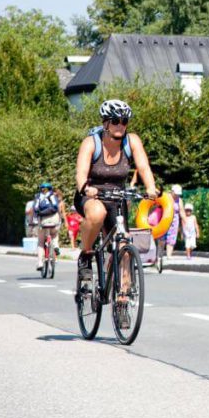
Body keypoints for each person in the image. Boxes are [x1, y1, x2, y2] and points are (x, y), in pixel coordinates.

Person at [74, 99, 157, 283]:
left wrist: (151, 187)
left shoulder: (132, 141)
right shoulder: (91, 143)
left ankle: (123, 296)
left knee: (124, 246)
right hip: (91, 194)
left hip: (117, 197)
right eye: (115, 121)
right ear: (105, 122)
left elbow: (143, 167)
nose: (120, 125)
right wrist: (86, 188)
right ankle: (86, 256)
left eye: (124, 121)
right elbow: (80, 173)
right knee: (97, 213)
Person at [32, 182, 61, 270]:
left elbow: (35, 209)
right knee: (55, 234)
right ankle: (56, 246)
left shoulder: (38, 197)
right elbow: (56, 207)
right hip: (54, 219)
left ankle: (40, 262)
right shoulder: (53, 196)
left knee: (40, 243)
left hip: (43, 221)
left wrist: (36, 218)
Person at [162, 184, 186, 258]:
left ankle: (169, 255)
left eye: (178, 194)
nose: (177, 195)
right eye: (176, 194)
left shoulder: (179, 200)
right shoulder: (166, 197)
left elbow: (181, 211)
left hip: (174, 221)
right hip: (164, 219)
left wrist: (185, 221)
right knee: (162, 238)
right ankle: (159, 255)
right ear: (172, 192)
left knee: (171, 239)